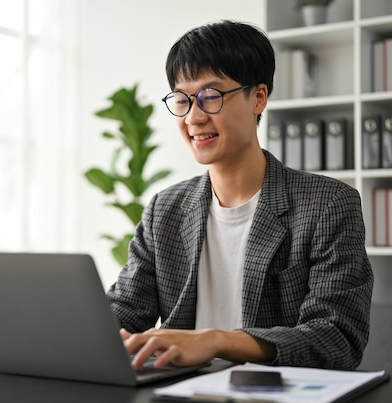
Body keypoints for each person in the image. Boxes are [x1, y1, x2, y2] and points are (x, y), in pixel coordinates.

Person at [106, 20, 373, 371]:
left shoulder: (327, 205)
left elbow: (337, 338)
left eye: (210, 96)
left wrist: (218, 340)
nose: (193, 117)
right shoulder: (164, 210)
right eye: (182, 100)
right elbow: (123, 314)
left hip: (274, 398)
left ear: (258, 98)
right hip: (178, 397)